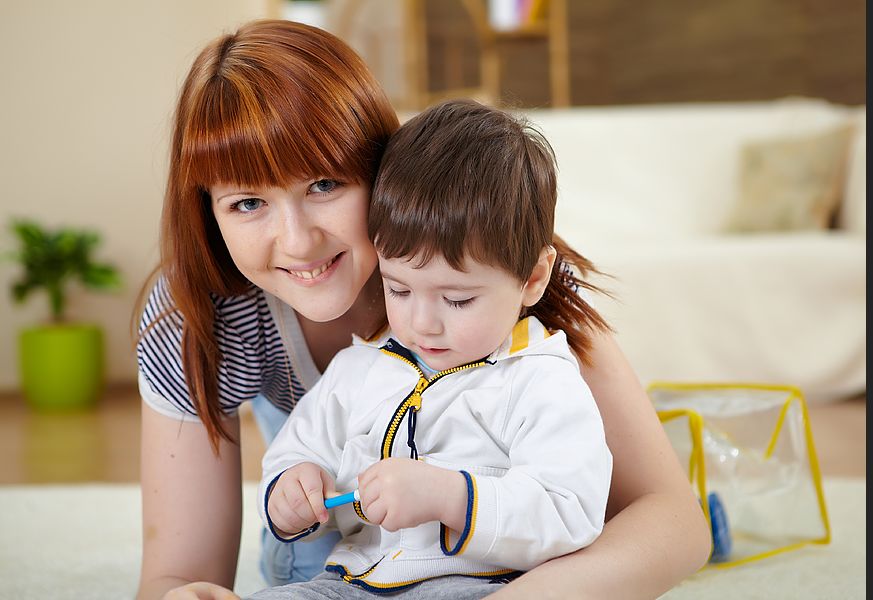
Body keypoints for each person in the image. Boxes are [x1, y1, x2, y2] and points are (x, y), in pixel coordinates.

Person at [135, 19, 710, 600]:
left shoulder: (493, 268)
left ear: (379, 171)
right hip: (349, 512)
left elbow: (673, 523)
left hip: (501, 506)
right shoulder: (199, 314)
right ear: (208, 211)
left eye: (325, 184)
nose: (298, 241)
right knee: (300, 564)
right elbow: (179, 575)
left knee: (589, 528)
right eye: (248, 202)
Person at [248, 99, 613, 599]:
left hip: (476, 585)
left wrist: (451, 497)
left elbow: (570, 510)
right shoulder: (359, 368)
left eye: (458, 299)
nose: (421, 323)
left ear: (532, 278)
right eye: (398, 289)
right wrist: (291, 490)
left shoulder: (539, 381)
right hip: (352, 583)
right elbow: (299, 447)